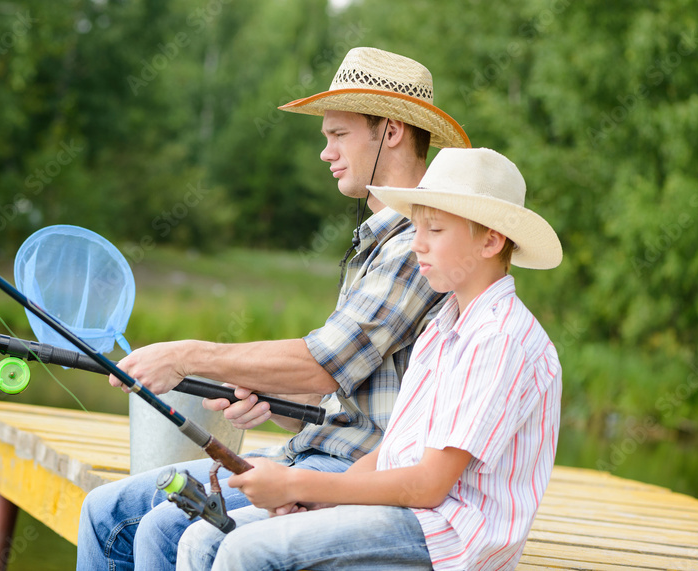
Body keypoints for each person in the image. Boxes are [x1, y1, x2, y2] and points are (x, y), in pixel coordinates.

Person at [76, 48, 471, 571]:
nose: (326, 152)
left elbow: (322, 362)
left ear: (391, 131)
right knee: (104, 511)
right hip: (307, 455)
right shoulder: (377, 242)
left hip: (353, 474)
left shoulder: (414, 246)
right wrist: (277, 402)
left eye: (338, 134)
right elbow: (332, 388)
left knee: (165, 527)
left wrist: (187, 356)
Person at [176, 147, 564, 571]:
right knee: (206, 537)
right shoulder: (443, 326)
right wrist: (312, 497)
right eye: (416, 228)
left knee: (246, 550)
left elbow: (429, 485)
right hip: (400, 512)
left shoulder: (500, 338)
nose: (417, 244)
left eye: (434, 230)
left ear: (491, 239)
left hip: (447, 537)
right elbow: (390, 454)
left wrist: (292, 481)